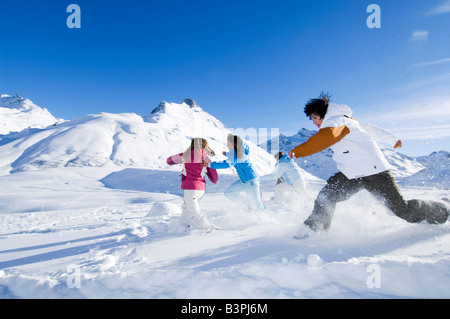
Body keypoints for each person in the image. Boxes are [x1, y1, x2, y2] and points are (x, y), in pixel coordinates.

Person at [288, 93, 449, 234]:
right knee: (327, 196)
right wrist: (392, 139)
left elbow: (325, 137)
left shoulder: (336, 122)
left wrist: (298, 151)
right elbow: (370, 129)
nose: (314, 122)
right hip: (352, 174)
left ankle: (443, 210)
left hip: (375, 173)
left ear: (322, 114)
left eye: (315, 118)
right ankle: (313, 231)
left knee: (402, 211)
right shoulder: (348, 122)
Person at [204, 134, 266, 212]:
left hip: (251, 181)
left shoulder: (238, 155)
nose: (227, 146)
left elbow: (226, 164)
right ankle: (247, 202)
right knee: (229, 192)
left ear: (234, 144)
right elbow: (233, 156)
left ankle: (270, 219)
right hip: (244, 180)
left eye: (228, 144)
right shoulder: (238, 153)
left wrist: (209, 164)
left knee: (257, 205)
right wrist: (226, 154)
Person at [167, 138, 218, 231]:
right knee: (186, 210)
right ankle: (183, 228)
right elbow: (214, 179)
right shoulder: (206, 159)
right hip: (200, 190)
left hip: (190, 190)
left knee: (195, 213)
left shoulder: (184, 155)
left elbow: (169, 161)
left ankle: (210, 230)